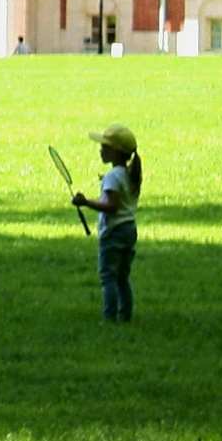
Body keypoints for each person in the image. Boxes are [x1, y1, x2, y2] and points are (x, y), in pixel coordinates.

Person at [72, 125, 142, 322]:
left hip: (114, 231)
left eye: (104, 146)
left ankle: (109, 317)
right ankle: (125, 315)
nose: (100, 149)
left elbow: (112, 206)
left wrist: (86, 202)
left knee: (108, 277)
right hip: (129, 229)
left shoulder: (113, 176)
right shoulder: (129, 173)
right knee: (122, 277)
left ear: (115, 151)